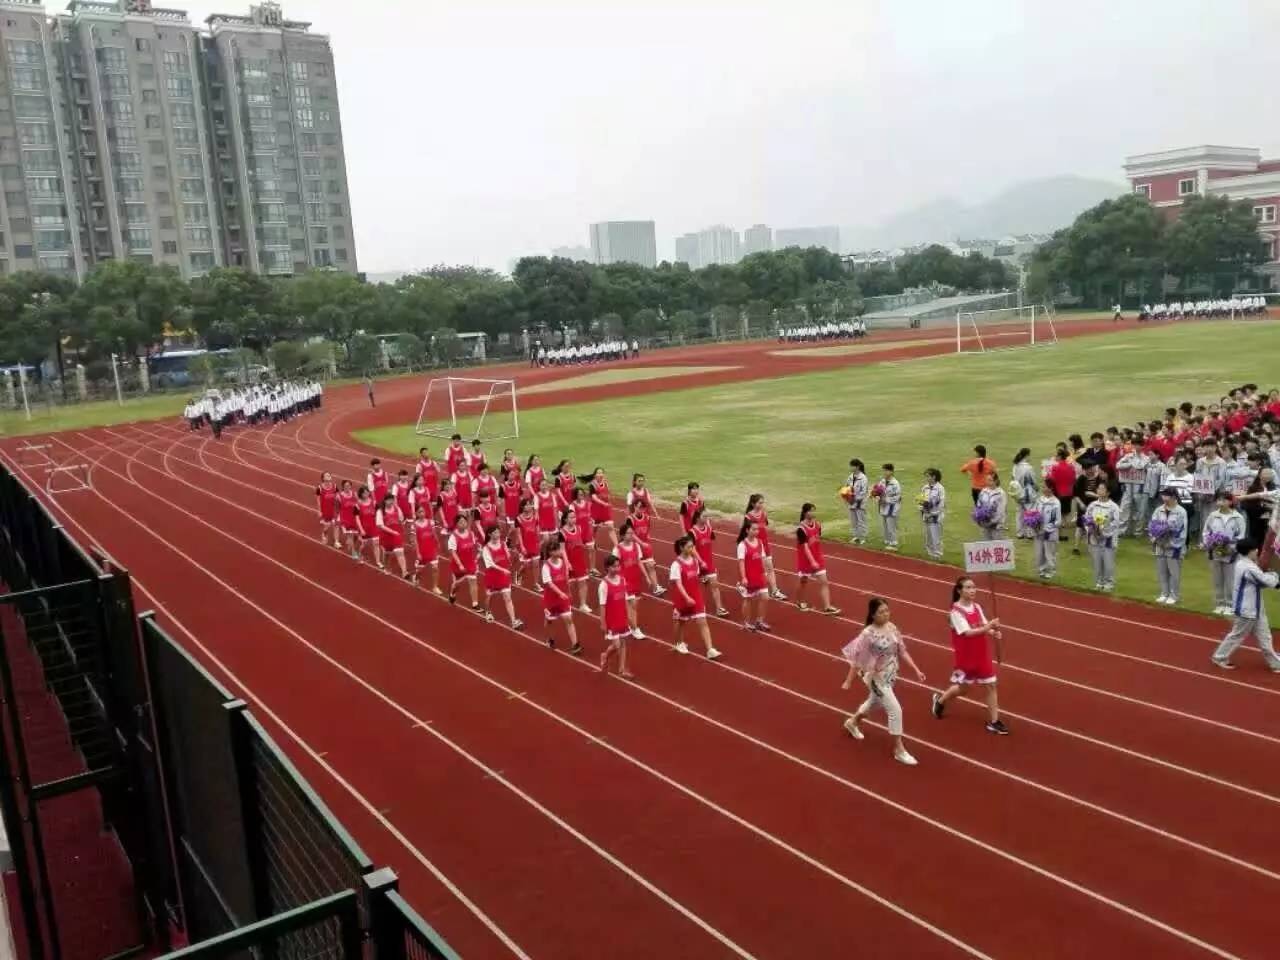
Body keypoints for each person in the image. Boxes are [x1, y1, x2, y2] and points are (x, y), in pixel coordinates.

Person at [841, 597, 925, 765]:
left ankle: (852, 722)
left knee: (874, 702)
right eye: (881, 612)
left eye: (887, 610)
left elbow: (902, 651)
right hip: (875, 678)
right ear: (872, 615)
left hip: (891, 674)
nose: (886, 614)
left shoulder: (892, 627)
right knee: (895, 710)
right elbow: (857, 660)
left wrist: (917, 670)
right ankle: (899, 749)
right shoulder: (867, 634)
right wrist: (848, 681)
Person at [931, 577, 1009, 735]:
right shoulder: (955, 612)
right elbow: (967, 633)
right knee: (963, 689)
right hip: (966, 658)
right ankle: (940, 701)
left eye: (974, 587)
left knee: (991, 685)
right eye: (968, 587)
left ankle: (994, 722)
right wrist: (989, 626)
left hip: (981, 655)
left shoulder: (977, 606)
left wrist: (993, 631)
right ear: (959, 590)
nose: (972, 590)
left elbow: (982, 624)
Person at [1211, 539, 1280, 672]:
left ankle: (1275, 664)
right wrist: (1275, 573)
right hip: (1246, 609)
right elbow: (1267, 581)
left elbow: (1261, 581)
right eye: (1255, 549)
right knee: (1237, 635)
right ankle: (1219, 656)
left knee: (1265, 636)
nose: (1257, 551)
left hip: (1256, 608)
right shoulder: (1248, 567)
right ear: (1250, 551)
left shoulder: (1243, 563)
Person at [670, 536, 722, 659]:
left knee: (703, 621)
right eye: (689, 547)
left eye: (692, 546)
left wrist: (703, 580)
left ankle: (710, 649)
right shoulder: (676, 565)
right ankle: (678, 643)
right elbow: (678, 584)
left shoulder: (694, 561)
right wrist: (687, 598)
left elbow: (695, 577)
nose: (692, 549)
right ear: (681, 548)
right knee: (681, 622)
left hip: (696, 596)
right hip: (683, 598)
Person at [1203, 491, 1247, 615]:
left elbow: (1241, 536)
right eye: (1218, 500)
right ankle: (1219, 603)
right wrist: (1210, 543)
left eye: (1224, 500)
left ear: (1230, 501)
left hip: (1231, 553)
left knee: (1230, 580)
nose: (1220, 502)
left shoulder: (1238, 517)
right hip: (1215, 552)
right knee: (1217, 579)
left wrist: (1231, 548)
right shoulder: (1212, 515)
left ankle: (1230, 604)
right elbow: (1206, 531)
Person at [794, 503, 840, 614]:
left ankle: (827, 606)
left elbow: (817, 540)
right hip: (806, 560)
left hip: (817, 558)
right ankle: (799, 601)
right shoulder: (801, 529)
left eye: (814, 511)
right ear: (805, 512)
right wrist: (812, 561)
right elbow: (805, 547)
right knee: (803, 581)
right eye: (811, 511)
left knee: (824, 582)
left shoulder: (818, 525)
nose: (813, 513)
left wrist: (817, 558)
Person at [540, 540, 582, 655]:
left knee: (569, 619)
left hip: (563, 598)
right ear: (550, 552)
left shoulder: (563, 563)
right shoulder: (546, 566)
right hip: (551, 599)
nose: (559, 551)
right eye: (556, 550)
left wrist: (568, 592)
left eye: (559, 549)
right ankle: (550, 639)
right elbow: (549, 583)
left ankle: (575, 644)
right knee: (550, 621)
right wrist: (560, 593)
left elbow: (566, 578)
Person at [597, 555, 637, 677]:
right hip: (612, 619)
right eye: (614, 566)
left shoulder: (622, 580)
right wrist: (603, 622)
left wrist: (630, 617)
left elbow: (625, 600)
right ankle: (605, 655)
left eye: (618, 565)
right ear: (607, 568)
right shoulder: (603, 585)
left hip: (622, 616)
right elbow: (602, 605)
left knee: (624, 643)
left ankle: (622, 669)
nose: (617, 568)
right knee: (616, 645)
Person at [1149, 487, 1189, 605]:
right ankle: (1164, 593)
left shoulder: (1181, 511)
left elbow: (1182, 531)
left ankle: (1174, 595)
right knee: (1162, 571)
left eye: (1167, 496)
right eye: (1163, 496)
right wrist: (1154, 537)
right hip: (1160, 546)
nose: (1164, 498)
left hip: (1174, 547)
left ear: (1174, 497)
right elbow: (1153, 525)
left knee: (1174, 573)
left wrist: (1171, 543)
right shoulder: (1158, 510)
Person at [689, 507, 730, 616]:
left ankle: (719, 608)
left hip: (709, 563)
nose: (707, 518)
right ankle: (696, 606)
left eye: (707, 516)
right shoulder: (692, 532)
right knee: (696, 588)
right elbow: (691, 549)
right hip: (697, 564)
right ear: (698, 518)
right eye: (704, 516)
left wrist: (709, 525)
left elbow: (712, 537)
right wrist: (700, 561)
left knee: (715, 585)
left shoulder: (708, 528)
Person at [744, 494, 785, 600]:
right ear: (753, 503)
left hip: (765, 545)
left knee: (770, 568)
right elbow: (746, 532)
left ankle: (774, 591)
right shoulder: (748, 517)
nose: (762, 505)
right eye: (759, 503)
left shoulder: (763, 513)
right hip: (755, 546)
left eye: (762, 502)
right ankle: (747, 587)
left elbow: (764, 526)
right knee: (758, 570)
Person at [481, 526, 523, 628]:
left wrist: (515, 555)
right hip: (492, 577)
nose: (497, 534)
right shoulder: (486, 549)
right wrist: (504, 570)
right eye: (495, 533)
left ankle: (513, 621)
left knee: (508, 598)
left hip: (504, 577)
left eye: (498, 532)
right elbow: (490, 564)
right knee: (489, 597)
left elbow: (508, 557)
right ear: (490, 535)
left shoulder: (503, 544)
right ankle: (488, 612)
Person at [613, 521, 648, 639]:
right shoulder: (617, 549)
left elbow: (639, 562)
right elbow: (614, 567)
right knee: (631, 605)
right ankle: (635, 628)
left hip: (635, 579)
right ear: (622, 535)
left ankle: (631, 626)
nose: (631, 535)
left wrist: (647, 577)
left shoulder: (636, 546)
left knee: (634, 606)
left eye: (632, 533)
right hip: (624, 581)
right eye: (628, 533)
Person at [1084, 483, 1121, 591]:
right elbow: (1087, 519)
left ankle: (1109, 583)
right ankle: (1099, 582)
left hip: (1108, 539)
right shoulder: (1092, 505)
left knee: (1108, 562)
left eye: (1102, 489)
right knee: (1097, 561)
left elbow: (1116, 523)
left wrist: (1104, 532)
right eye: (1098, 488)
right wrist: (1091, 530)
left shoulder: (1113, 507)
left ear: (1108, 492)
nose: (1099, 490)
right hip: (1094, 538)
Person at [736, 519, 771, 631]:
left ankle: (759, 621)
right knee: (748, 599)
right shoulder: (742, 545)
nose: (756, 531)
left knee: (765, 597)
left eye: (757, 529)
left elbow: (763, 558)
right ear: (747, 530)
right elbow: (741, 562)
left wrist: (766, 572)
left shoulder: (760, 542)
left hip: (760, 575)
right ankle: (746, 623)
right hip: (749, 576)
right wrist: (743, 577)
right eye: (754, 529)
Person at [446, 515, 482, 613]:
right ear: (456, 524)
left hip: (470, 563)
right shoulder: (453, 537)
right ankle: (452, 593)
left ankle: (475, 604)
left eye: (464, 522)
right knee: (457, 584)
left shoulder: (471, 533)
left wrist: (479, 551)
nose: (463, 524)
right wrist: (460, 564)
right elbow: (452, 552)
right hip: (459, 565)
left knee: (473, 582)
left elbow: (475, 545)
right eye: (460, 522)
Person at [559, 510, 592, 613]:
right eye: (571, 517)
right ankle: (565, 603)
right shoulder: (562, 533)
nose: (573, 519)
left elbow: (581, 542)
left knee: (583, 582)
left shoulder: (579, 528)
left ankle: (583, 604)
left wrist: (586, 546)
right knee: (569, 584)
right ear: (565, 519)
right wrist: (567, 562)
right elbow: (562, 549)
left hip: (580, 560)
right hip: (569, 561)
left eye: (574, 517)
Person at [1031, 480, 1063, 579]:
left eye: (1045, 487)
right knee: (1039, 552)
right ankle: (1041, 569)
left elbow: (1057, 521)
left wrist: (1047, 529)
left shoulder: (1055, 502)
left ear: (1051, 488)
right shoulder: (1039, 500)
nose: (1043, 489)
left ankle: (1051, 571)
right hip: (1038, 531)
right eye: (1043, 487)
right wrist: (1033, 522)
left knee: (1050, 553)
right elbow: (1034, 512)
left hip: (1050, 533)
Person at [411, 504, 442, 595]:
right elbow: (415, 540)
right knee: (420, 571)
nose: (422, 513)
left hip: (431, 549)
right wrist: (418, 553)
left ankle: (435, 587)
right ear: (416, 513)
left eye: (423, 511)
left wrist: (437, 542)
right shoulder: (414, 525)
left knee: (435, 568)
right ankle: (416, 577)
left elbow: (434, 533)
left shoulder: (430, 522)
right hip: (422, 550)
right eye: (419, 512)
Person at [586, 467, 617, 549]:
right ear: (595, 475)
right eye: (598, 473)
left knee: (611, 526)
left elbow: (608, 493)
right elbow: (594, 498)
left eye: (601, 473)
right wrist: (603, 503)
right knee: (594, 529)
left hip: (605, 510)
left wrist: (610, 499)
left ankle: (617, 546)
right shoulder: (592, 485)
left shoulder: (606, 483)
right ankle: (592, 542)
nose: (600, 475)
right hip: (596, 510)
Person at [1010, 449, 1038, 539]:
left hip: (1017, 492)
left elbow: (1013, 478)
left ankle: (1020, 533)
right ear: (1026, 455)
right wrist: (1036, 488)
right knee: (1029, 512)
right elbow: (1033, 481)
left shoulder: (1015, 466)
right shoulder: (1028, 467)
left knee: (1019, 513)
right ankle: (1029, 533)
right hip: (1027, 493)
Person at [919, 468, 946, 560]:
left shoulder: (940, 488)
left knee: (936, 535)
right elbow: (921, 500)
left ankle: (938, 554)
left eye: (928, 476)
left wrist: (934, 513)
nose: (926, 478)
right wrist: (922, 508)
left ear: (934, 477)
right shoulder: (924, 488)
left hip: (936, 516)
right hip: (926, 515)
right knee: (928, 535)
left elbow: (942, 504)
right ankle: (930, 553)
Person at [973, 471, 1007, 541]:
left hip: (996, 526)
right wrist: (979, 518)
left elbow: (1001, 511)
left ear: (996, 481)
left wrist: (992, 522)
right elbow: (979, 505)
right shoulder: (983, 491)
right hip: (984, 525)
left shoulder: (1001, 493)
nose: (988, 482)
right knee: (986, 545)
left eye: (990, 480)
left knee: (996, 546)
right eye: (987, 480)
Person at [876, 464, 902, 551]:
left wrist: (886, 500)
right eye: (883, 470)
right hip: (883, 507)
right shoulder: (882, 481)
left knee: (891, 526)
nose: (884, 472)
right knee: (885, 525)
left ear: (891, 472)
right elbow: (878, 492)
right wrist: (877, 497)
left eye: (886, 470)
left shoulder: (895, 483)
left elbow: (897, 497)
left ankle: (894, 543)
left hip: (892, 508)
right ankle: (887, 540)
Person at [354, 486, 381, 568]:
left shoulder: (374, 503)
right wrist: (361, 529)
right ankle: (360, 554)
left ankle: (378, 561)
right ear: (361, 494)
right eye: (364, 493)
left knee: (376, 544)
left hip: (374, 527)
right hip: (364, 527)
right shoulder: (358, 505)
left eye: (367, 492)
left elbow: (379, 514)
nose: (366, 494)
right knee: (364, 544)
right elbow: (357, 518)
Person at [845, 458, 869, 545]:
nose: (851, 467)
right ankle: (856, 536)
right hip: (851, 502)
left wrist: (855, 498)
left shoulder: (863, 478)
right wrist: (846, 495)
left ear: (857, 467)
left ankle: (863, 537)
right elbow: (847, 487)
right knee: (853, 520)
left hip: (860, 502)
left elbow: (864, 491)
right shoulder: (850, 477)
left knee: (861, 520)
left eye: (852, 466)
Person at [315, 471, 339, 548]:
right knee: (327, 526)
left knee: (336, 525)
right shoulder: (319, 488)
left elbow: (338, 497)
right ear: (323, 478)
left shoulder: (335, 486)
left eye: (329, 475)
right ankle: (324, 533)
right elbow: (318, 501)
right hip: (325, 510)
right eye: (326, 475)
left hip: (334, 509)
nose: (328, 476)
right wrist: (319, 511)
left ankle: (336, 541)